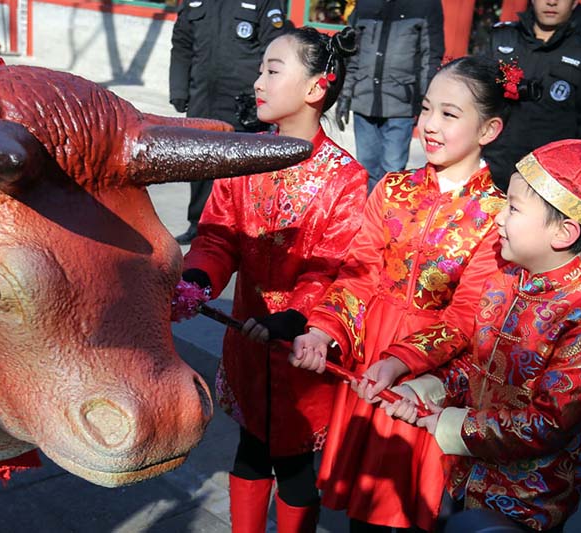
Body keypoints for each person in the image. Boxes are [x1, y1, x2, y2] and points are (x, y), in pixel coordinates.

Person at [290, 55, 513, 533]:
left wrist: (399, 363)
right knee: (364, 507)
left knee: (407, 504)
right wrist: (322, 330)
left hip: (427, 379)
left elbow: (467, 315)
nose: (429, 124)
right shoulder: (392, 190)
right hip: (369, 362)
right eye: (427, 108)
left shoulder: (496, 217)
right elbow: (358, 274)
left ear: (489, 129)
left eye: (449, 114)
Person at [375, 139, 581, 533]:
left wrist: (452, 425)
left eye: (514, 209)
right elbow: (476, 365)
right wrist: (425, 390)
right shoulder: (504, 280)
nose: (499, 218)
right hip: (465, 477)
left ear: (564, 232)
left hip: (527, 503)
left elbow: (549, 423)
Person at [182, 26, 366, 532]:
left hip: (303, 347)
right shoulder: (245, 158)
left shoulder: (345, 178)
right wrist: (197, 279)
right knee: (250, 448)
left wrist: (294, 317)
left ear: (315, 88)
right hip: (247, 339)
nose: (258, 81)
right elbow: (218, 235)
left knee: (295, 463)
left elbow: (331, 265)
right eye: (261, 69)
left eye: (273, 70)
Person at [169, 0, 288, 245]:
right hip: (203, 98)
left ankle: (243, 232)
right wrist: (179, 89)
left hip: (243, 102)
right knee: (200, 164)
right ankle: (199, 225)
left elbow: (276, 51)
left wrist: (268, 98)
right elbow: (181, 43)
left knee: (241, 172)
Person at [482, 0, 581, 191]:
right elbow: (476, 100)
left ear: (574, 3)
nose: (551, 2)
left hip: (547, 182)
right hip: (489, 169)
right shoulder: (502, 38)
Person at [334, 0, 444, 191]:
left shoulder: (425, 5)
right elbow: (352, 55)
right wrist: (344, 94)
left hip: (401, 102)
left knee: (392, 172)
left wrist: (426, 103)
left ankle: (385, 210)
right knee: (365, 169)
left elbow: (430, 57)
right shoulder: (365, 4)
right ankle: (368, 209)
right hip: (364, 98)